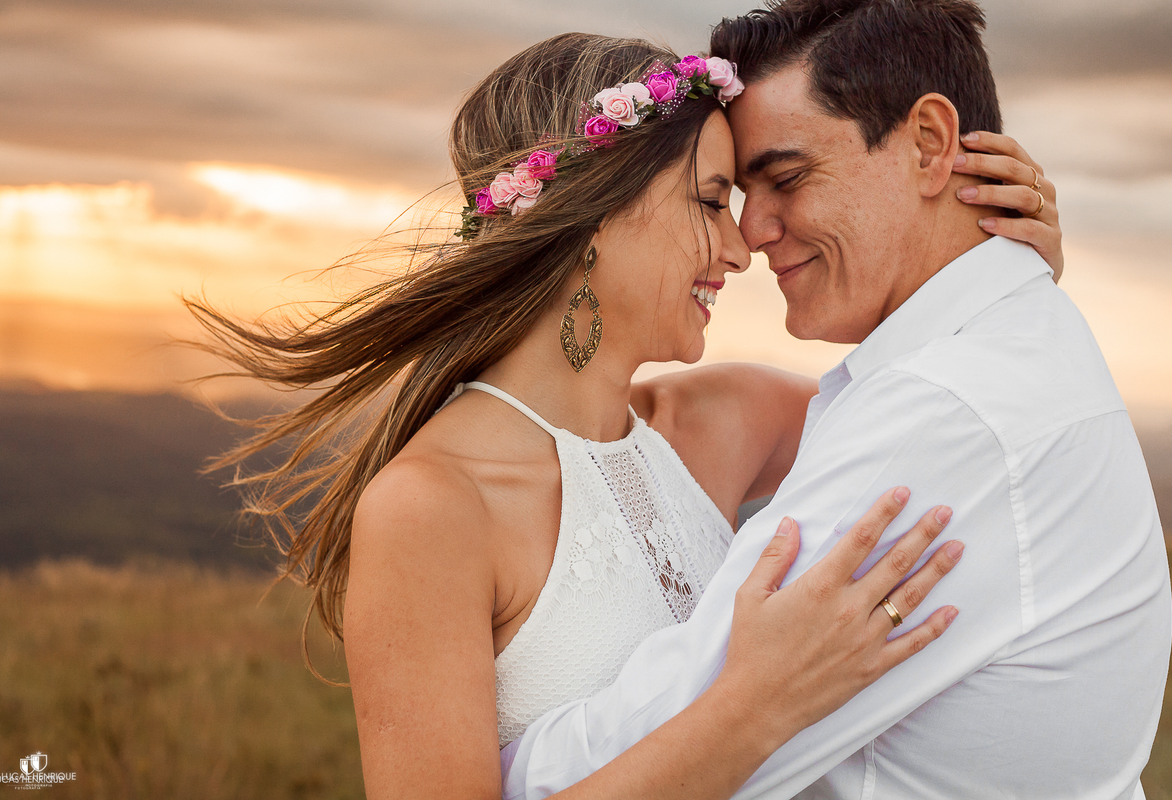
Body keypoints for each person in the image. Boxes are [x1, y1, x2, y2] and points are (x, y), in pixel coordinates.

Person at [189, 23, 1066, 800]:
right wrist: (757, 709)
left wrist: (1000, 261)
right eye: (712, 200)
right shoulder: (433, 508)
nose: (741, 244)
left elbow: (955, 412)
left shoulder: (725, 419)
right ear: (595, 212)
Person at [500, 2, 1172, 799]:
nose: (751, 235)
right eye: (726, 196)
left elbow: (683, 731)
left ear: (929, 144)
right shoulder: (1027, 337)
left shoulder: (941, 414)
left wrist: (474, 762)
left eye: (785, 178)